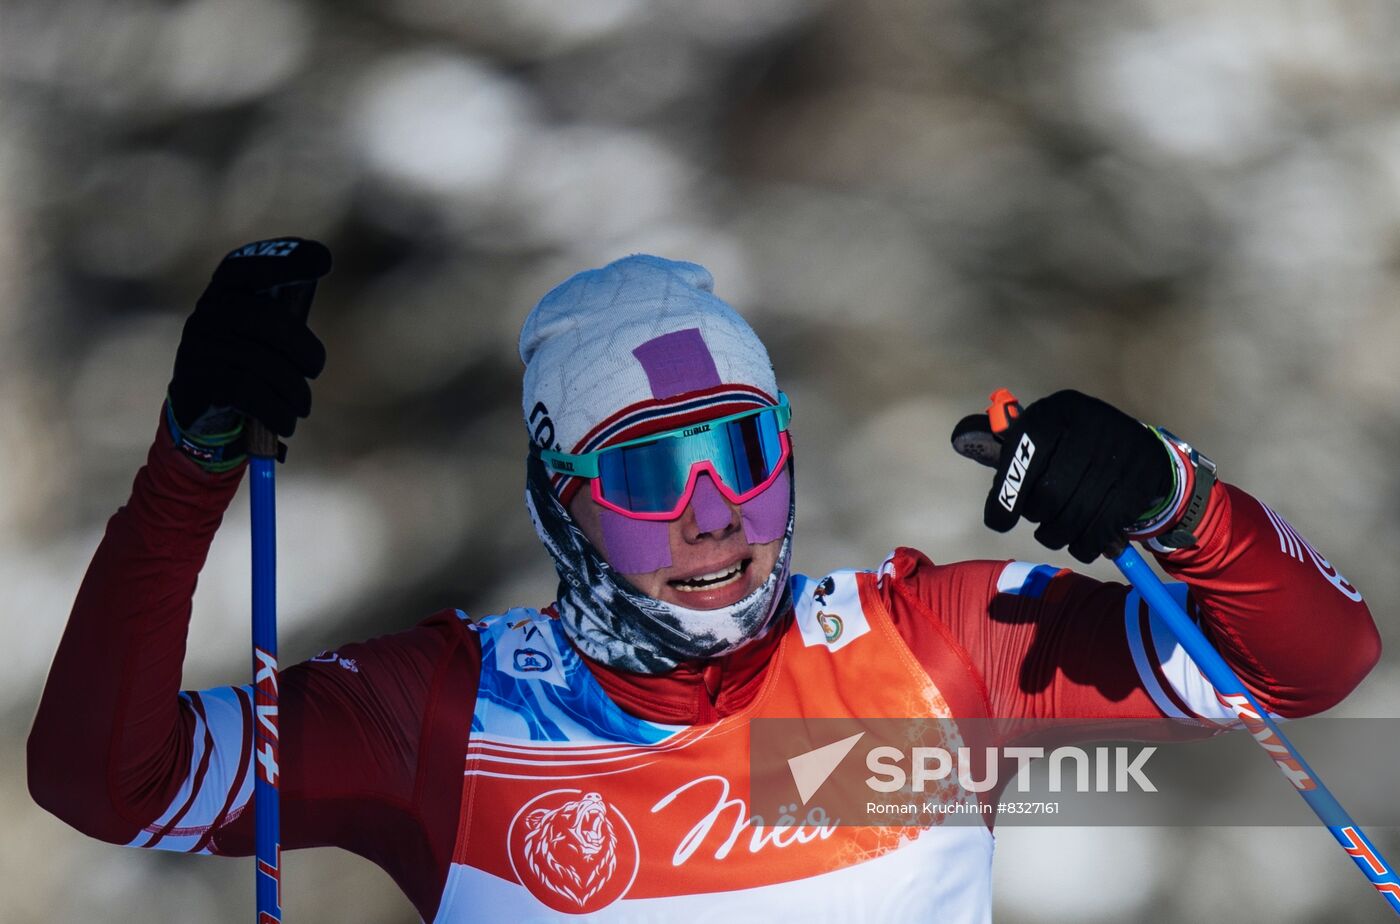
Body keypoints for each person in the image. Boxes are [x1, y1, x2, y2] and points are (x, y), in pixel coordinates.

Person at [29, 240, 1381, 921]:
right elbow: (109, 782)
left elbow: (1314, 667)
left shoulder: (924, 658)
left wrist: (1172, 496)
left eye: (744, 452)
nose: (710, 516)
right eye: (644, 475)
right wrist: (188, 469)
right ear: (560, 502)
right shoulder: (447, 720)